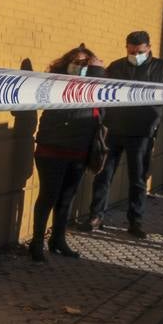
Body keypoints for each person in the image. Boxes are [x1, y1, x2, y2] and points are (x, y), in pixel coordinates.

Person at [79, 30, 163, 239]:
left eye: (139, 51)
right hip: (114, 128)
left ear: (148, 48)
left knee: (138, 179)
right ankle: (96, 216)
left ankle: (135, 221)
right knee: (103, 175)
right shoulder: (116, 66)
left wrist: (156, 120)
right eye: (130, 51)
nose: (134, 55)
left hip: (142, 132)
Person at [29, 45, 105, 262]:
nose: (81, 67)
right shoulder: (56, 82)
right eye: (77, 62)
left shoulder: (94, 87)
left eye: (85, 64)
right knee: (48, 196)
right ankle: (36, 242)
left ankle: (58, 240)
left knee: (66, 199)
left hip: (78, 151)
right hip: (52, 150)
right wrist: (96, 72)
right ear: (66, 63)